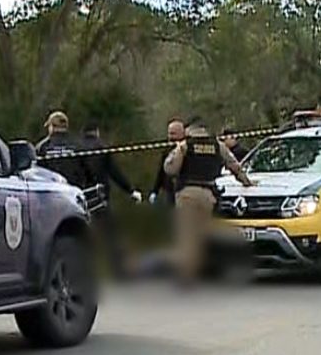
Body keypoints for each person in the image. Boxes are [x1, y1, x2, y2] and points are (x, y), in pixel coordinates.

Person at [163, 117, 254, 283]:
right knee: (202, 234)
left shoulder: (185, 146)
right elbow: (234, 165)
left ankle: (186, 275)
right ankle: (199, 269)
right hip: (209, 195)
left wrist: (176, 151)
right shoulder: (217, 146)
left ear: (190, 130)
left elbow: (170, 169)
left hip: (187, 194)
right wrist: (247, 182)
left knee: (186, 235)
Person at [80, 121, 142, 278]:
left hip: (80, 197)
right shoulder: (103, 147)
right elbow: (115, 173)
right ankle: (118, 271)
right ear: (97, 131)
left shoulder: (77, 148)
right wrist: (131, 190)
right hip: (101, 197)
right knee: (110, 235)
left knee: (83, 235)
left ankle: (85, 270)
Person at [34, 111, 88, 187]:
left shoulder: (42, 146)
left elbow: (37, 172)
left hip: (51, 192)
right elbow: (86, 170)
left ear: (52, 126)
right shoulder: (78, 145)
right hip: (73, 192)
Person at [149, 118, 186, 206]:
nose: (170, 136)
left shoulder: (187, 148)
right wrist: (155, 190)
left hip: (183, 190)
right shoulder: (167, 148)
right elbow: (161, 170)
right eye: (169, 133)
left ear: (181, 133)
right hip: (169, 191)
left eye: (173, 133)